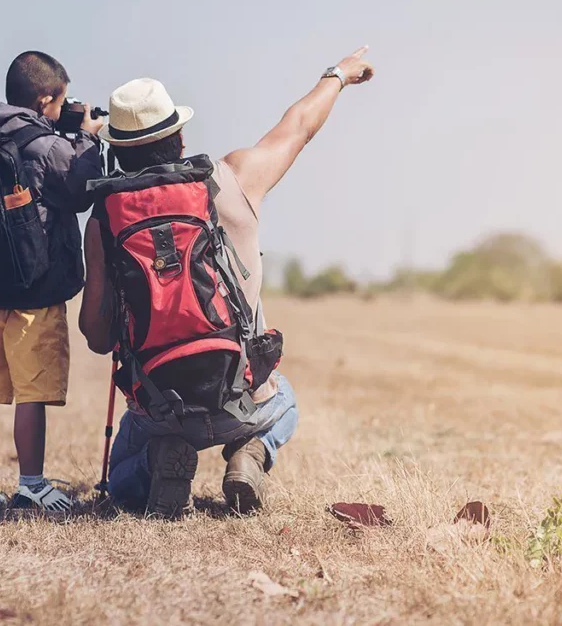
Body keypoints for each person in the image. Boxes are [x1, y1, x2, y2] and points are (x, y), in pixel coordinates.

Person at [79, 46, 375, 517]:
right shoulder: (231, 179)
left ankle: (160, 459)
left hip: (160, 409)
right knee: (287, 401)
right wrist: (338, 75)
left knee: (120, 481)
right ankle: (249, 453)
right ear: (178, 137)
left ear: (117, 151)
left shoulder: (105, 219)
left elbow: (96, 338)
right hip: (242, 396)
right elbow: (298, 126)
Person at [0, 51, 105, 511]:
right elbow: (79, 190)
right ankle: (33, 485)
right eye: (60, 102)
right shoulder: (46, 146)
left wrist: (65, 128)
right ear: (45, 99)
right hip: (36, 291)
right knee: (32, 394)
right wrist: (86, 136)